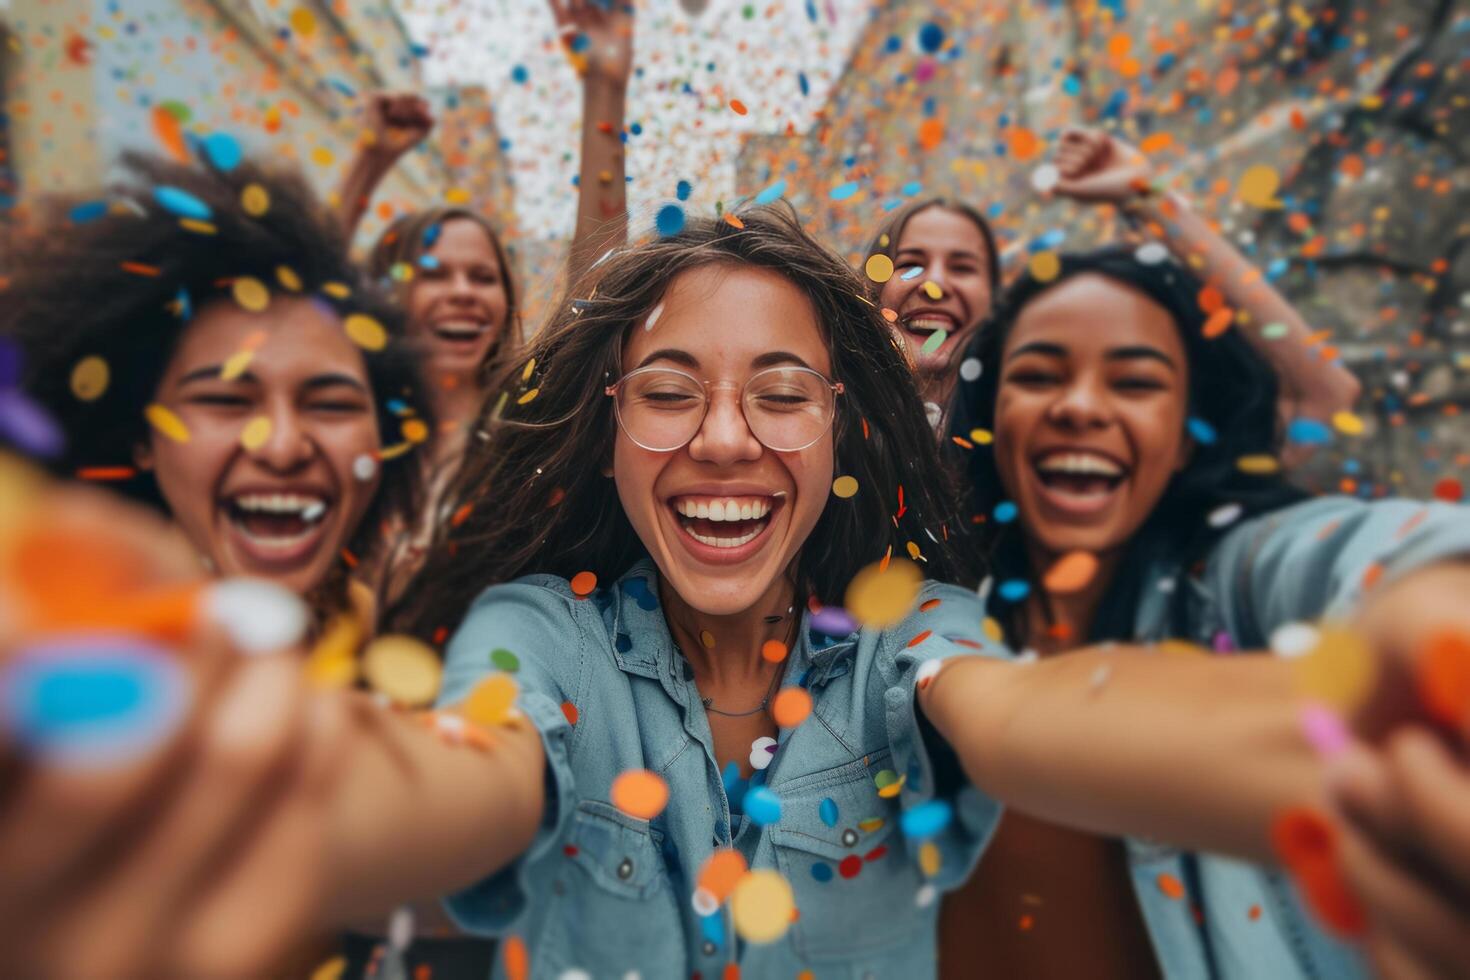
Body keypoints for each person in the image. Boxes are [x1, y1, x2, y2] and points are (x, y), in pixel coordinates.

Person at [4, 204, 1460, 980]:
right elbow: (461, 777)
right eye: (668, 392)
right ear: (607, 426)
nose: (720, 437)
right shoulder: (537, 629)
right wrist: (232, 793)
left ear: (839, 432)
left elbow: (1026, 721)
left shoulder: (913, 630)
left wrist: (1342, 749)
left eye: (778, 392)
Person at [942, 245, 1470, 978]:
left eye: (1134, 382)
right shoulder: (923, 623)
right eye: (1036, 376)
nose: (1081, 406)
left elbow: (1366, 553)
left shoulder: (1238, 580)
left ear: (1189, 440)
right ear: (992, 419)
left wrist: (1431, 601)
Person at [4, 150, 432, 623]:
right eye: (225, 400)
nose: (282, 447)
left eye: (332, 405)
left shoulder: (359, 623)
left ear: (384, 436)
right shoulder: (59, 636)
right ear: (142, 438)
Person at [865, 128, 1361, 437]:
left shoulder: (1038, 441)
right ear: (873, 294)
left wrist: (1150, 199)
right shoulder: (828, 440)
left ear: (994, 309)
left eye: (963, 267)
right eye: (910, 263)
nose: (935, 284)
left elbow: (1319, 397)